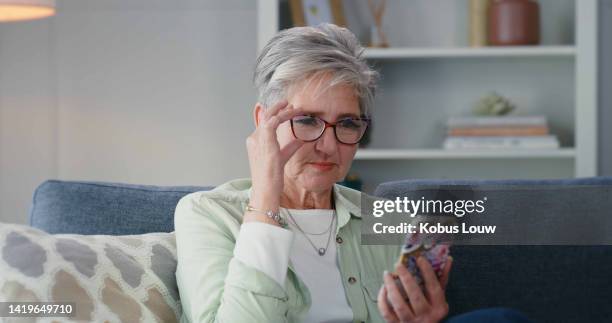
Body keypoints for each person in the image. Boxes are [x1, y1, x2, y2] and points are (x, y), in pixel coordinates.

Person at [174, 23, 532, 323]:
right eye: (307, 120)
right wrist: (266, 195)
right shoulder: (207, 213)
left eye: (346, 123)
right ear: (262, 123)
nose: (328, 145)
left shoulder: (389, 222)